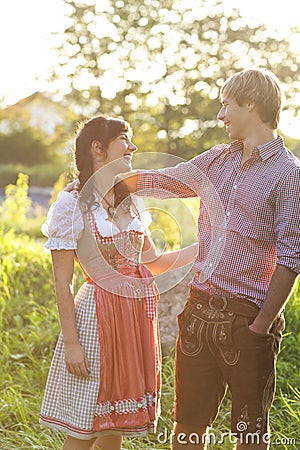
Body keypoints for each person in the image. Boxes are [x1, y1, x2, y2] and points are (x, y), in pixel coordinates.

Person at [115, 68, 300, 449]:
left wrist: (260, 327)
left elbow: (292, 256)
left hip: (248, 321)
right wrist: (101, 180)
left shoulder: (288, 174)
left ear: (251, 103)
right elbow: (168, 181)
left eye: (225, 105)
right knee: (186, 429)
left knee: (249, 436)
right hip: (198, 315)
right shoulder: (217, 159)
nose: (220, 115)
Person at [39, 114, 198, 450]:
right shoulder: (72, 205)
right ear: (98, 148)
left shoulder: (130, 202)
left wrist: (202, 248)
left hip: (133, 320)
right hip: (97, 320)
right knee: (85, 429)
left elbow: (152, 263)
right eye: (124, 140)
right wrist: (71, 343)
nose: (133, 147)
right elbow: (63, 282)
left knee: (113, 429)